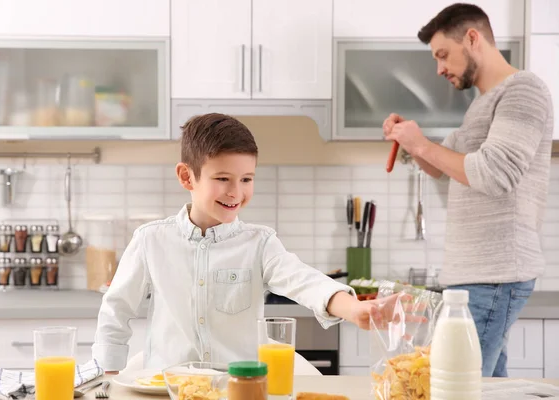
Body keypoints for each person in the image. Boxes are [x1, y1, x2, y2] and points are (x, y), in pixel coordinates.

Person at [93, 113, 404, 373]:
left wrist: (355, 310)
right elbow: (115, 311)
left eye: (246, 179)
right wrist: (107, 378)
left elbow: (304, 281)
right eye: (223, 179)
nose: (236, 192)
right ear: (187, 177)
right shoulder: (151, 240)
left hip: (242, 389)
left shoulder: (260, 243)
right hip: (169, 390)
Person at [383, 3, 554, 378]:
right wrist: (413, 143)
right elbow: (448, 168)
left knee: (457, 384)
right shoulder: (481, 105)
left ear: (472, 38)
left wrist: (423, 146)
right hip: (479, 276)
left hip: (495, 274)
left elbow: (495, 173)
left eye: (443, 54)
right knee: (485, 387)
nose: (439, 68)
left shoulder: (524, 91)